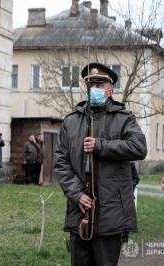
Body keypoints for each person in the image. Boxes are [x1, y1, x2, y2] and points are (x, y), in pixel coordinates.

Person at [54, 62, 147, 265]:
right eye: (90, 85)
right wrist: (76, 193)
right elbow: (61, 162)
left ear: (109, 91)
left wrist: (101, 146)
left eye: (99, 85)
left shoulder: (123, 118)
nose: (94, 89)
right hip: (80, 211)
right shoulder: (71, 121)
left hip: (111, 212)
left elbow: (139, 148)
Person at [121, 161, 140, 245]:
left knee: (127, 216)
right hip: (115, 195)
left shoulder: (131, 164)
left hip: (128, 195)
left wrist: (130, 187)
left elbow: (136, 179)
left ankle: (125, 238)